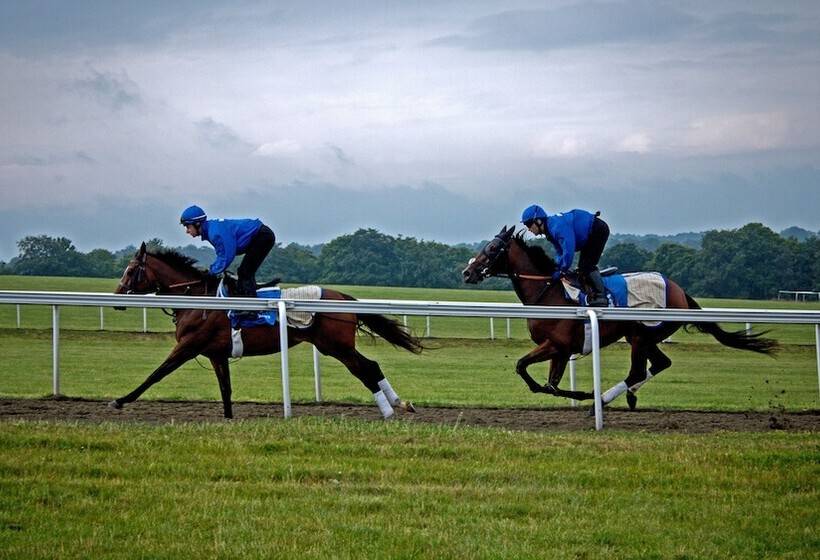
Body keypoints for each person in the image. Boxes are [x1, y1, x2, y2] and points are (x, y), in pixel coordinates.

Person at [521, 204, 610, 307]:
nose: (528, 229)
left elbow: (568, 250)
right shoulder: (550, 230)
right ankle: (590, 294)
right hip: (590, 233)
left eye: (528, 224)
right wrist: (558, 267)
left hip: (597, 230)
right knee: (581, 269)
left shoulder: (556, 227)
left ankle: (601, 297)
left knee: (586, 266)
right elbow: (560, 252)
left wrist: (562, 270)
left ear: (538, 221)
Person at [180, 205, 275, 297]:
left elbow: (226, 257)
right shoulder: (211, 230)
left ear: (197, 224)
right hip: (259, 235)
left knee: (245, 272)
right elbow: (222, 255)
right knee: (244, 272)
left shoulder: (215, 233)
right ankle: (249, 299)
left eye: (188, 227)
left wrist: (210, 273)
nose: (187, 231)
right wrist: (211, 271)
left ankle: (249, 309)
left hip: (262, 236)